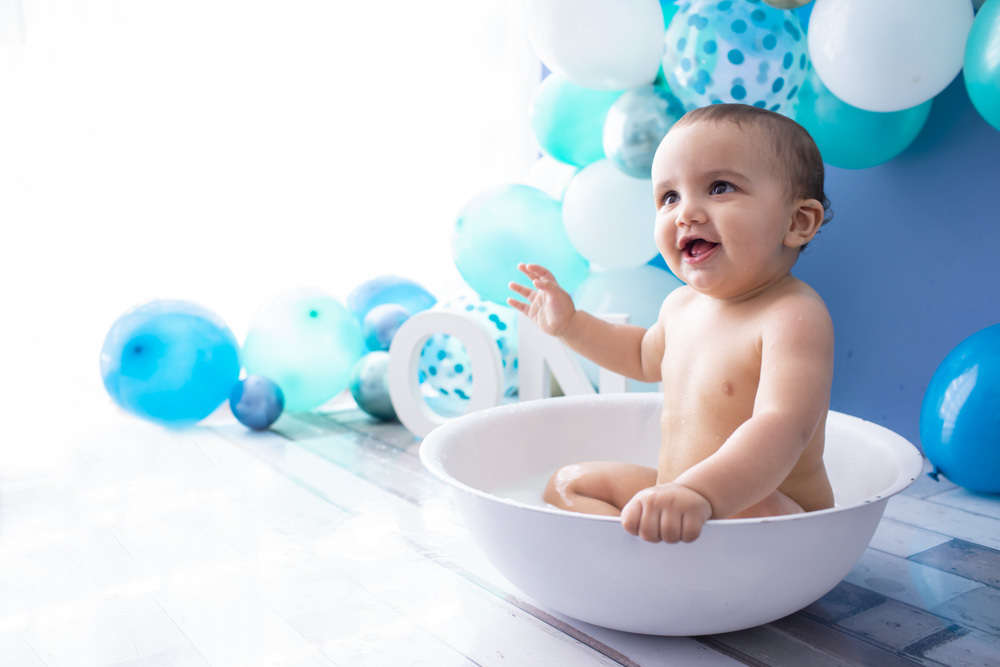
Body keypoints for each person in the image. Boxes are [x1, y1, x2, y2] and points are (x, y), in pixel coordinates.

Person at [507, 103, 835, 544]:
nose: (686, 213)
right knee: (569, 483)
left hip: (772, 517)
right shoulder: (681, 305)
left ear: (797, 222)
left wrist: (700, 493)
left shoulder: (792, 316)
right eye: (669, 197)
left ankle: (660, 543)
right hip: (681, 498)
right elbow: (641, 356)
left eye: (719, 187)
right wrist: (571, 325)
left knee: (750, 506)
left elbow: (782, 427)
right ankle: (633, 550)